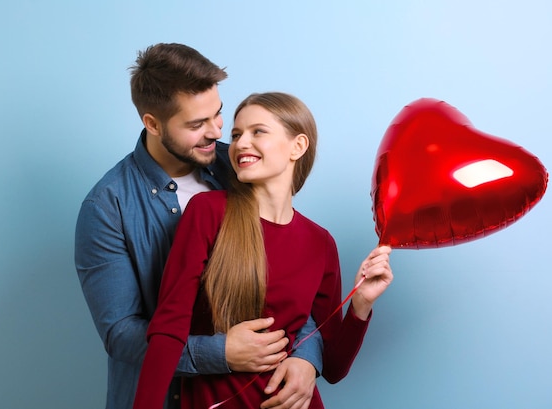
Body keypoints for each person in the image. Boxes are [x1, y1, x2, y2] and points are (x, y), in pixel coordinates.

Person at [75, 44, 323, 409]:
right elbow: (120, 333)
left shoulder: (240, 165)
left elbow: (289, 279)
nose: (216, 132)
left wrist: (307, 358)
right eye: (196, 124)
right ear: (153, 124)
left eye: (218, 115)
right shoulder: (107, 207)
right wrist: (221, 352)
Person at [133, 92, 394, 409]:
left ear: (297, 146)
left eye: (258, 132)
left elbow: (334, 368)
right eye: (236, 134)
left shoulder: (320, 242)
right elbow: (168, 330)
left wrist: (361, 304)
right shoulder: (207, 212)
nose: (241, 143)